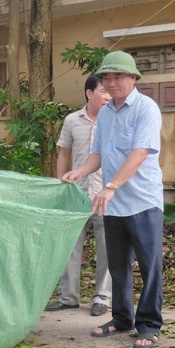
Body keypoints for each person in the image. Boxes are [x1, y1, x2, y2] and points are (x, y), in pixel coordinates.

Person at [62, 51, 164, 348]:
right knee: (118, 266)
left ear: (133, 78)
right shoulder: (106, 114)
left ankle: (149, 324)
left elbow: (140, 152)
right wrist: (79, 171)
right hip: (115, 204)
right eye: (107, 77)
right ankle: (121, 318)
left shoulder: (146, 108)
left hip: (143, 201)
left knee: (149, 266)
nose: (111, 82)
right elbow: (98, 154)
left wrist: (110, 186)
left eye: (118, 76)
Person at [46, 75, 112, 316]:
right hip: (76, 193)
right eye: (103, 91)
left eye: (110, 93)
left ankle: (102, 298)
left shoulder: (114, 120)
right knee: (70, 246)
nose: (108, 96)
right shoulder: (72, 120)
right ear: (89, 93)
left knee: (107, 248)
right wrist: (60, 185)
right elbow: (64, 154)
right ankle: (68, 297)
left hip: (104, 194)